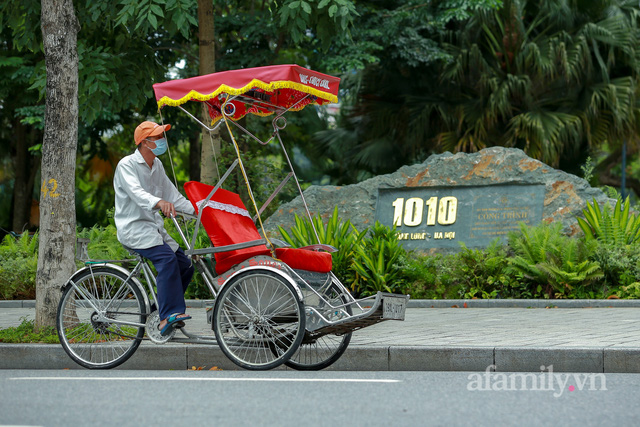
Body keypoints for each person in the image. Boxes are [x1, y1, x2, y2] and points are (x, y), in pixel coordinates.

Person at [113, 120, 195, 336]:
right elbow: (138, 194)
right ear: (144, 142)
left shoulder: (157, 165)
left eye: (162, 136)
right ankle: (167, 316)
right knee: (167, 260)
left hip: (153, 229)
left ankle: (162, 309)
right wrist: (159, 203)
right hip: (134, 229)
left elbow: (172, 196)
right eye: (158, 137)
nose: (162, 141)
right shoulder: (127, 165)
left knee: (185, 265)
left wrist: (199, 211)